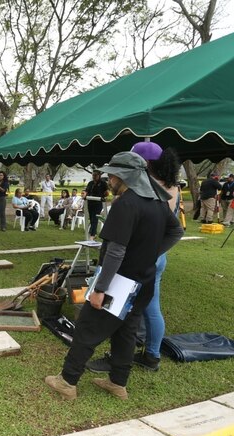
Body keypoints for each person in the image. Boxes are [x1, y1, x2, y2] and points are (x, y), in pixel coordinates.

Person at [44, 151, 183, 401]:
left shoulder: (126, 204)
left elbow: (116, 251)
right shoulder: (156, 201)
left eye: (112, 174)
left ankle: (67, 381)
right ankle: (118, 383)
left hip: (117, 282)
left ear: (125, 176)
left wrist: (99, 289)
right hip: (144, 282)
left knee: (87, 328)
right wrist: (150, 254)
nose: (109, 179)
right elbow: (177, 232)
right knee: (126, 332)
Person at [87, 141, 182, 373]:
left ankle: (125, 357)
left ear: (143, 164)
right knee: (144, 307)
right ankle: (148, 354)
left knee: (125, 308)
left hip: (137, 254)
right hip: (151, 254)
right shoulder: (171, 186)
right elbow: (174, 229)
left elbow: (147, 225)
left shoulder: (148, 189)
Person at [83, 170, 109, 240]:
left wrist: (104, 196)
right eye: (93, 175)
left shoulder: (103, 183)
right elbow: (86, 191)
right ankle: (94, 232)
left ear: (99, 175)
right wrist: (85, 195)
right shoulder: (90, 183)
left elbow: (107, 192)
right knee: (91, 218)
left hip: (98, 202)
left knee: (95, 218)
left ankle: (92, 234)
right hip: (90, 202)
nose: (94, 177)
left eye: (95, 175)